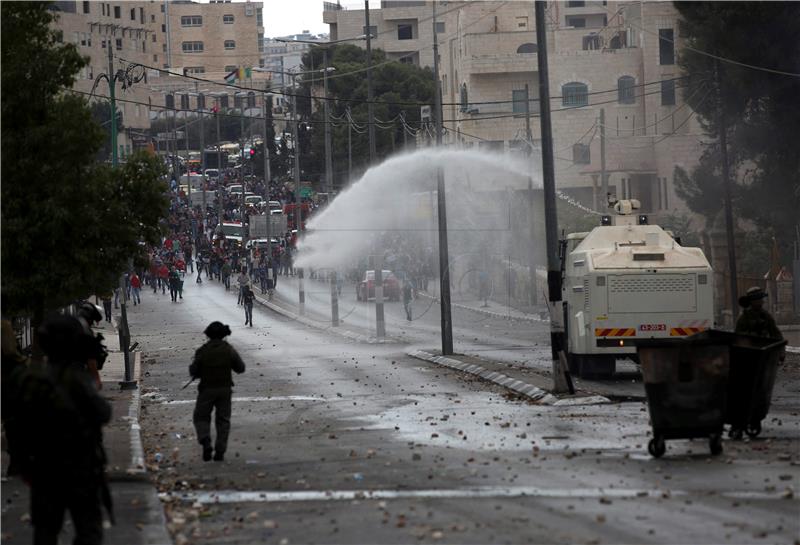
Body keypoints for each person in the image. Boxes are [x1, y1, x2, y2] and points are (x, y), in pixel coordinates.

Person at [10, 314, 112, 545]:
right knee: (88, 529)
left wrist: (23, 464)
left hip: (44, 468)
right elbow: (103, 412)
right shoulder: (76, 379)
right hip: (82, 468)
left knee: (45, 530)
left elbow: (16, 426)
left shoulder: (30, 379)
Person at [189, 322, 245, 462]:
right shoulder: (229, 350)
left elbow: (193, 371)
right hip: (225, 390)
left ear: (208, 335)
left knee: (201, 417)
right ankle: (220, 451)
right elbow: (240, 368)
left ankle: (206, 441)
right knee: (223, 420)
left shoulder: (203, 351)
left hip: (207, 390)